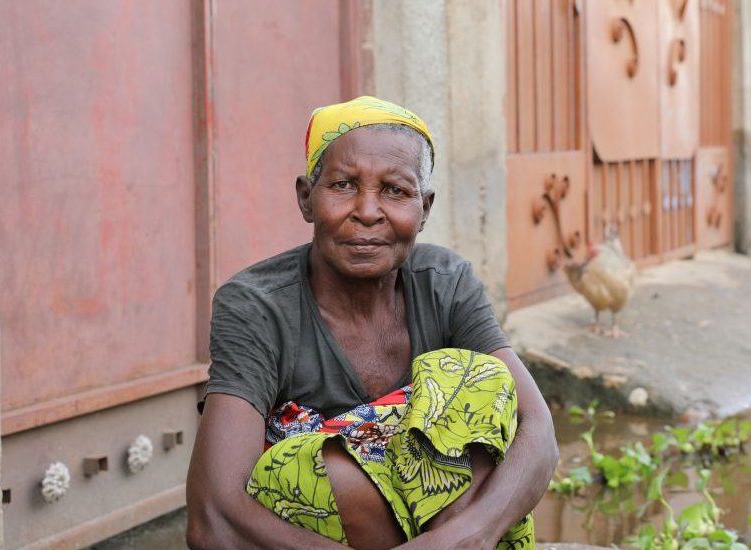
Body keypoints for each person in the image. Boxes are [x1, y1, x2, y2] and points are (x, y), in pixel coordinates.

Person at [185, 96, 558, 550]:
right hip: (317, 535)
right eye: (343, 185)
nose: (366, 211)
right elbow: (212, 517)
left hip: (447, 532)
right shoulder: (257, 306)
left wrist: (467, 536)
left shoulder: (445, 283)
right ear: (306, 198)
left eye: (395, 191)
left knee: (476, 379)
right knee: (320, 469)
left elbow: (537, 427)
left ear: (426, 208)